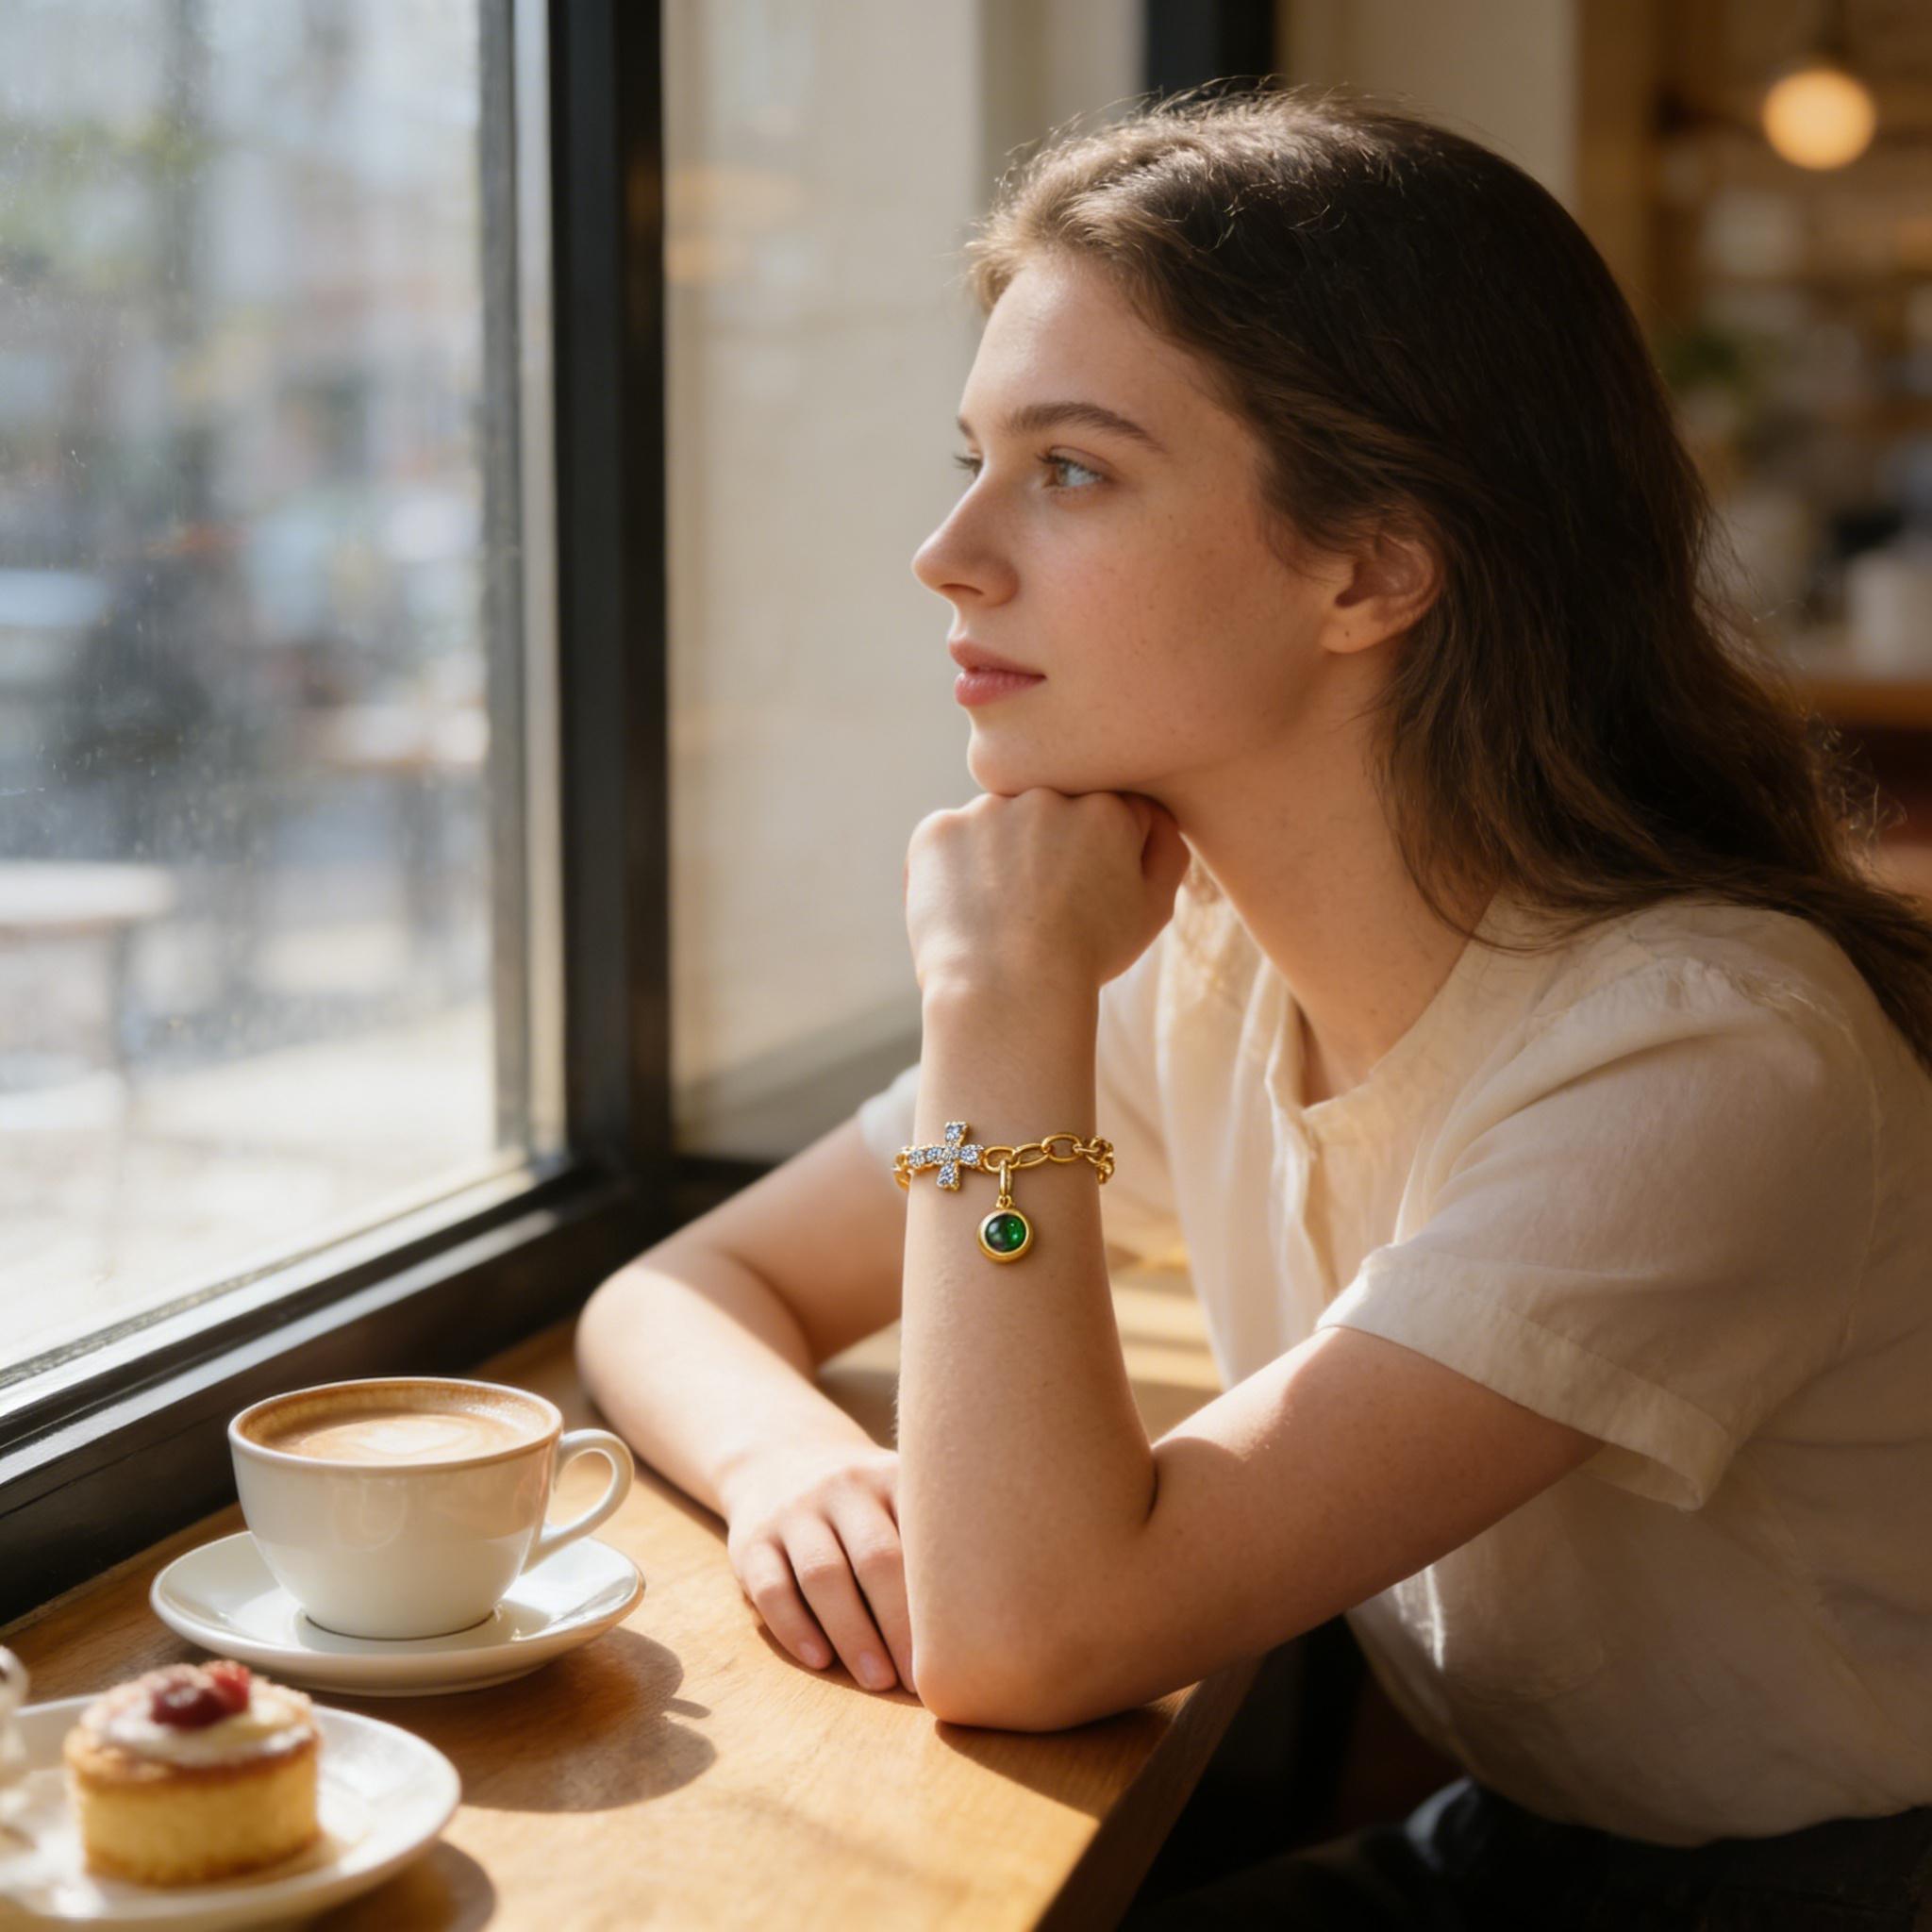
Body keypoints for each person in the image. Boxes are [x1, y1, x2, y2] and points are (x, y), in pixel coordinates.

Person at [575, 84, 1932, 1926]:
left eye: (1069, 468)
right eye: (969, 454)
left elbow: (1032, 1634)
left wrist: (995, 998)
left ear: (1370, 566)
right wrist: (796, 1466)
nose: (949, 550)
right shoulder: (1211, 961)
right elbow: (677, 1287)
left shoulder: (1697, 1060)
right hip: (1539, 1845)